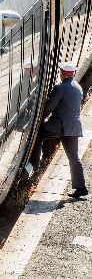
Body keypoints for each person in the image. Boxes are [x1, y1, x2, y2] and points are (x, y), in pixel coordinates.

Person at [29, 61, 88, 198]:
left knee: (40, 133)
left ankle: (34, 165)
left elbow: (49, 106)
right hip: (74, 128)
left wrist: (39, 120)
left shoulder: (60, 87)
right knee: (74, 158)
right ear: (72, 73)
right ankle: (81, 188)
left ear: (62, 73)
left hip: (60, 126)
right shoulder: (77, 87)